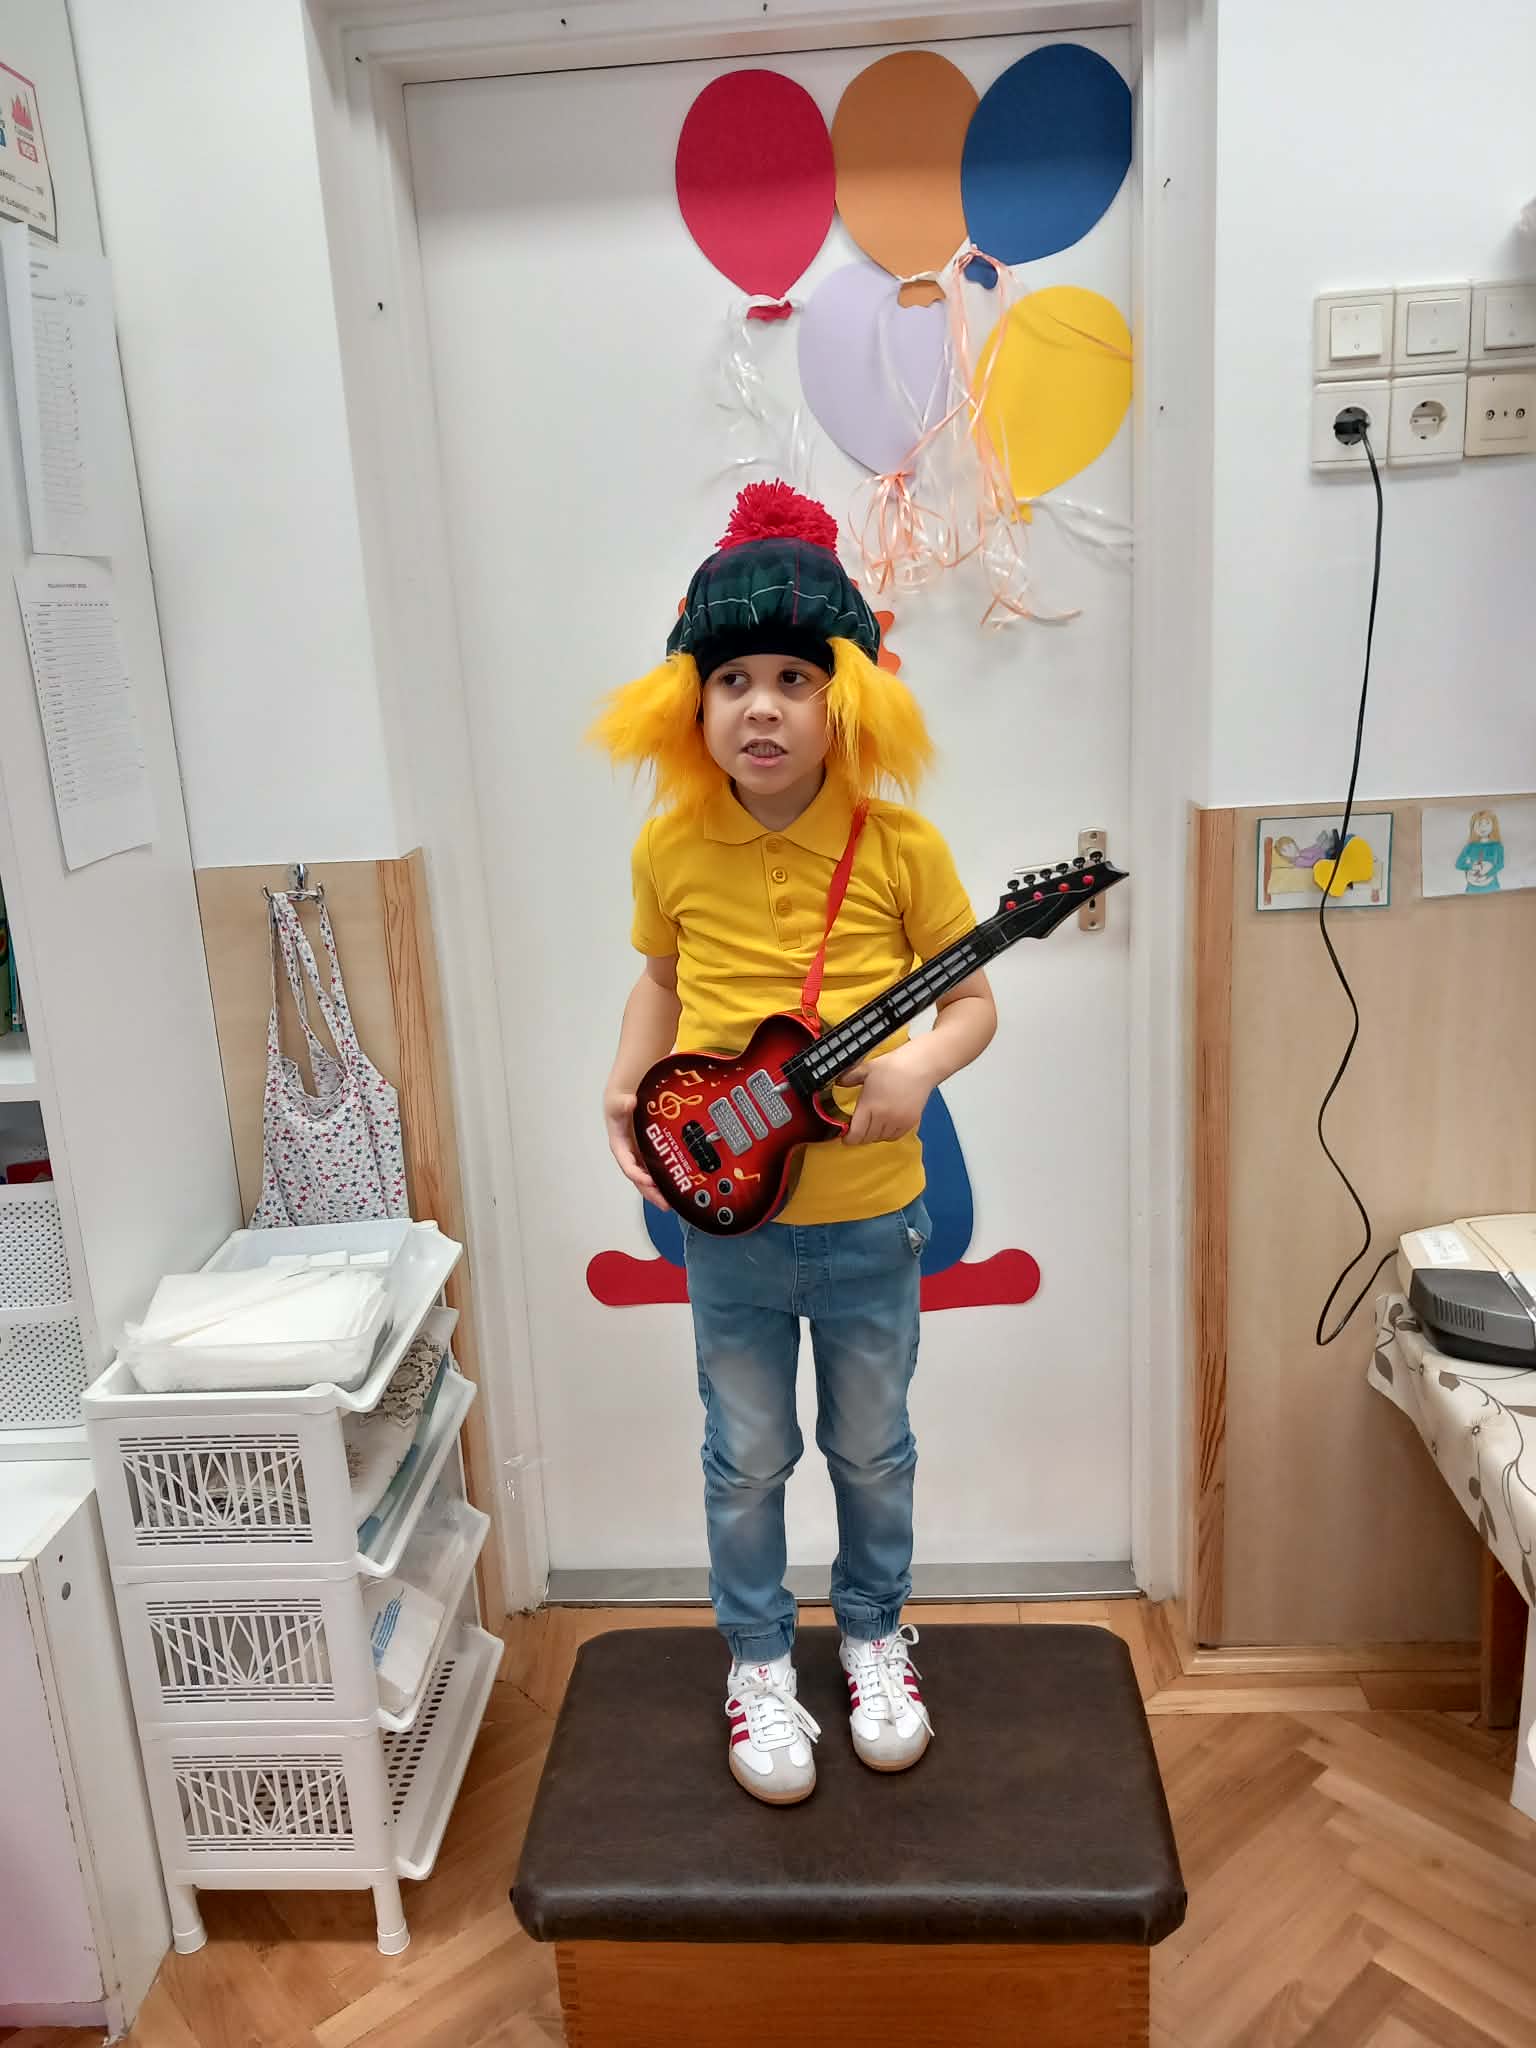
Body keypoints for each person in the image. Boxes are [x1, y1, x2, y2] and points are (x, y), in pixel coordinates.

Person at [592, 482, 997, 1805]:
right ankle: (759, 1658)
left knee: (872, 1448)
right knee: (746, 1454)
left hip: (875, 1216)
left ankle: (875, 1636)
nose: (759, 707)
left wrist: (917, 1064)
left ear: (848, 700)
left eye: (792, 679)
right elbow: (660, 983)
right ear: (690, 705)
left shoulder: (902, 846)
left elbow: (971, 1002)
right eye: (730, 682)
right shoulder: (670, 847)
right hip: (730, 1226)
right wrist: (625, 1079)